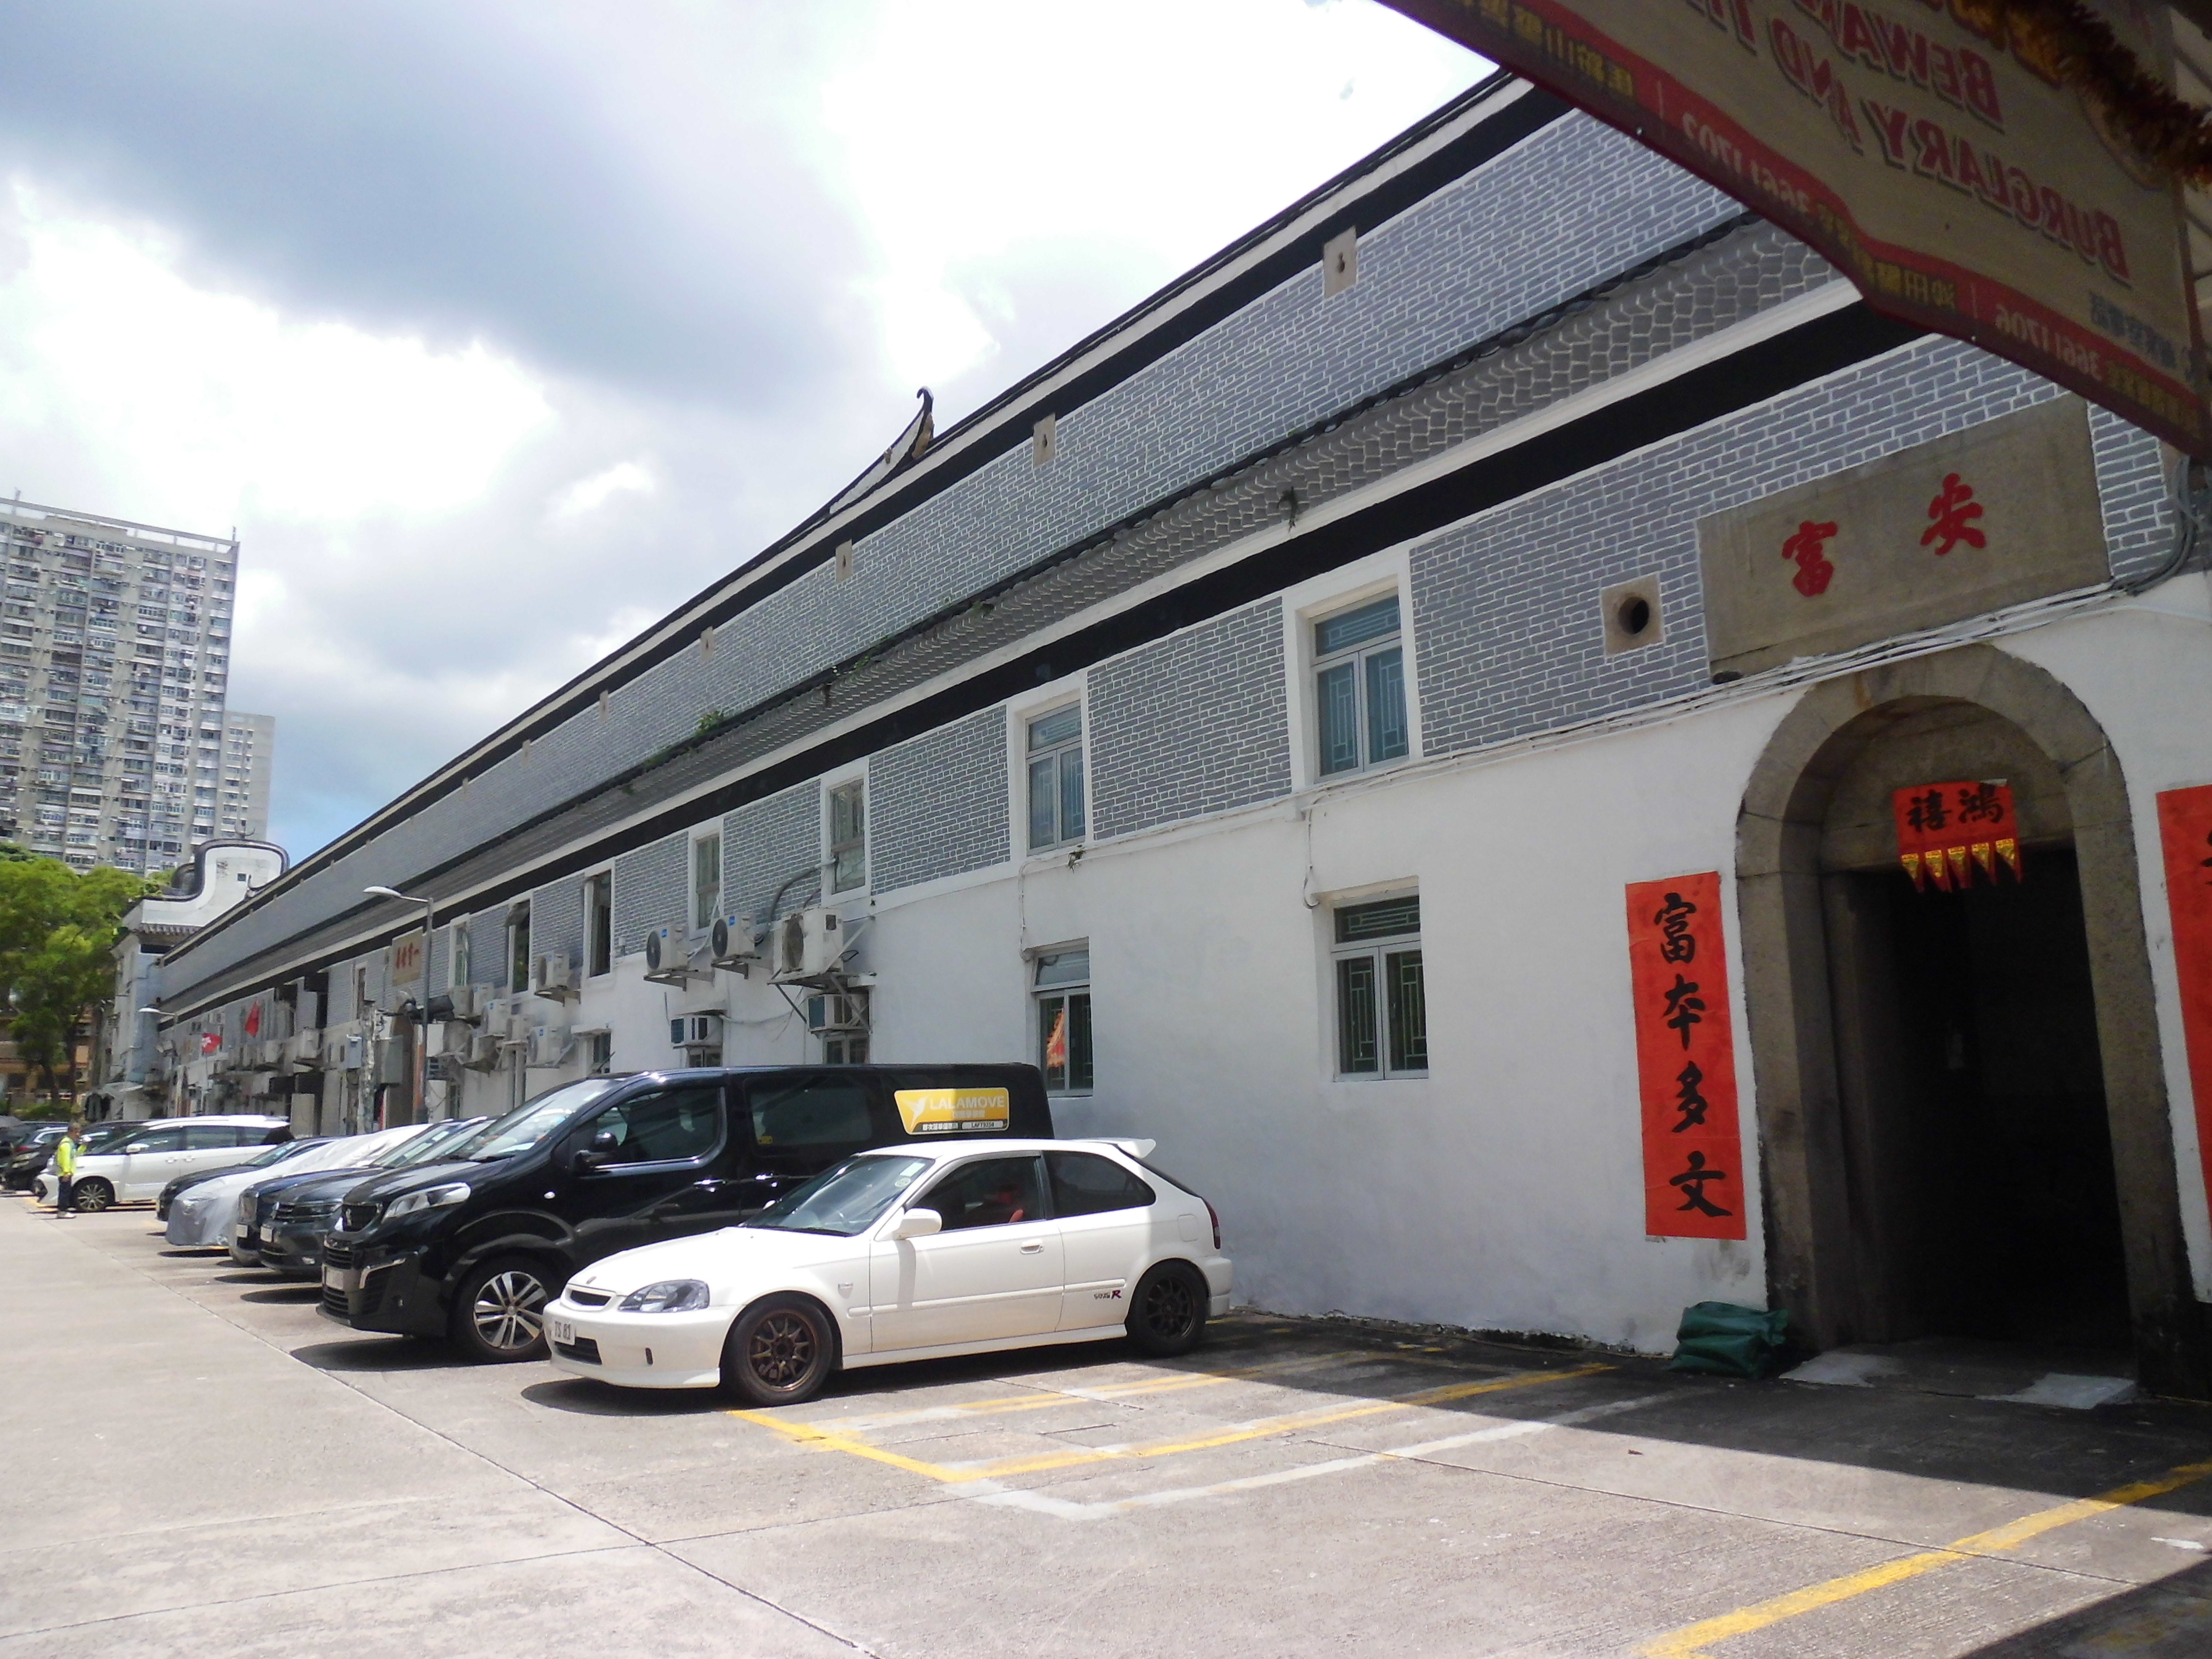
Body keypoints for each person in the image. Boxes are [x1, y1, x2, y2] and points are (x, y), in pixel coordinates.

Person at [53, 1122, 82, 1218]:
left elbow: (76, 1154)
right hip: (65, 1173)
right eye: (76, 1132)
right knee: (64, 1192)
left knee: (66, 1191)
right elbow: (65, 1159)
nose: (78, 1135)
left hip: (68, 1172)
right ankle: (62, 1211)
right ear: (70, 1132)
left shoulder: (71, 1144)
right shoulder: (66, 1144)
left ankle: (63, 1211)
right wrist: (66, 1172)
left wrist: (84, 1146)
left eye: (79, 1132)